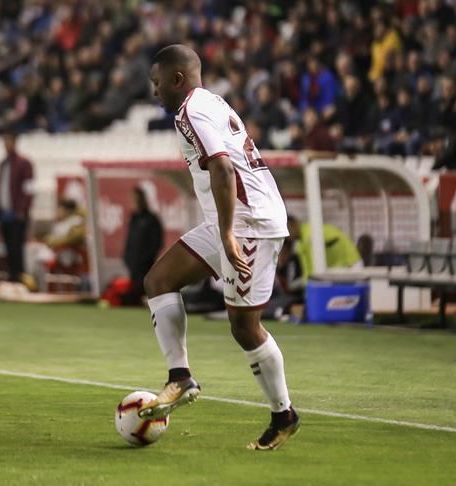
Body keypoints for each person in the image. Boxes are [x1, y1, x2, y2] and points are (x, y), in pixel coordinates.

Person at [143, 45, 299, 450]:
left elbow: (224, 167)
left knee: (244, 327)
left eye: (157, 84)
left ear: (177, 79)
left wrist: (228, 233)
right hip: (230, 221)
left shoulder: (192, 111)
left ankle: (284, 416)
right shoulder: (209, 101)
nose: (154, 92)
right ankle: (180, 378)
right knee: (158, 280)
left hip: (249, 224)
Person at [0, 131, 33, 283]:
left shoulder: (24, 164)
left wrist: (23, 209)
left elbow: (29, 189)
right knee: (8, 248)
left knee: (17, 247)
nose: (6, 144)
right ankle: (11, 275)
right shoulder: (3, 163)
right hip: (4, 212)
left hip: (17, 214)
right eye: (4, 141)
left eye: (8, 140)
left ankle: (19, 277)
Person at [122, 187, 163, 305]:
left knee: (145, 288)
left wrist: (146, 258)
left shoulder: (151, 219)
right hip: (132, 263)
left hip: (146, 264)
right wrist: (126, 257)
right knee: (134, 292)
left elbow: (157, 242)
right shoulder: (133, 219)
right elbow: (129, 240)